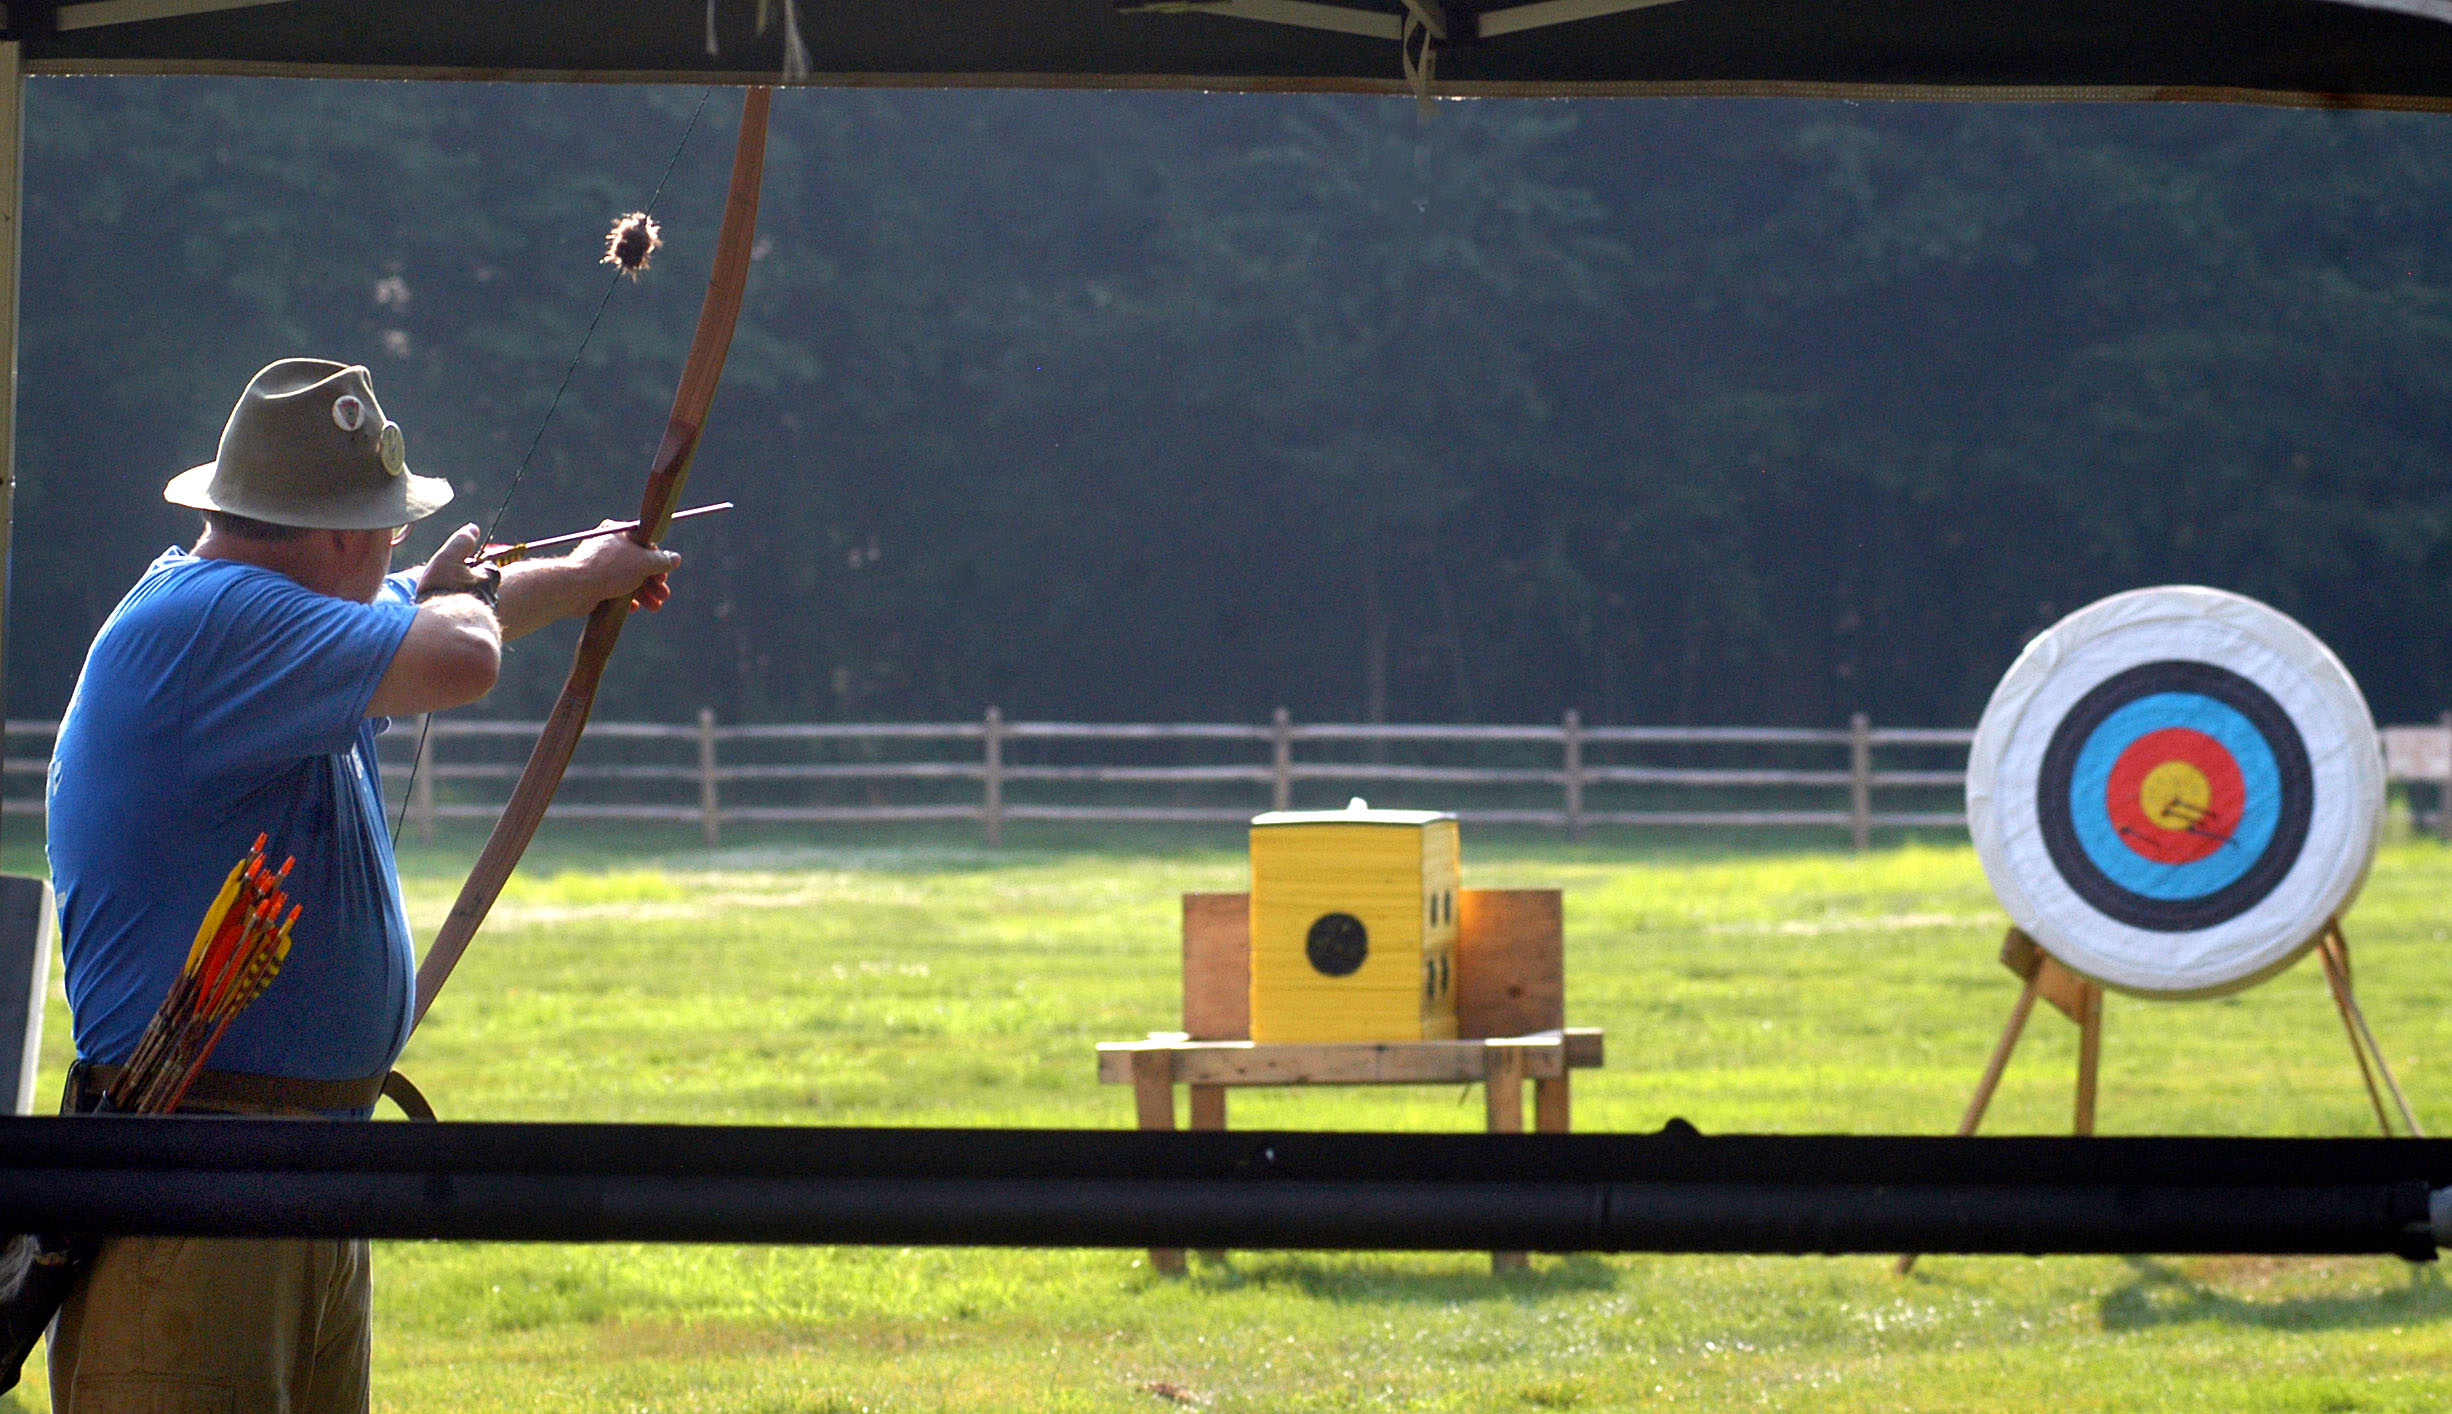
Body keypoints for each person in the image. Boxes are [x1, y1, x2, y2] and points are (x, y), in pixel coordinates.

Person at [41, 358, 680, 1413]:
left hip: (292, 1173)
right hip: (199, 1189)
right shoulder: (216, 622)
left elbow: (420, 603)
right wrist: (464, 594)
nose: (394, 544)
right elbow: (458, 647)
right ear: (337, 533)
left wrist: (587, 571)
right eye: (382, 522)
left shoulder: (266, 614)